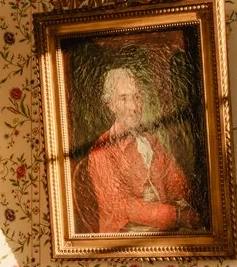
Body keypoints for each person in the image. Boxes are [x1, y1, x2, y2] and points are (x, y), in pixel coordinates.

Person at [74, 66, 200, 234]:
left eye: (137, 97)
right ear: (111, 105)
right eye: (123, 98)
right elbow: (122, 206)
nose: (133, 106)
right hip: (127, 234)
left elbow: (176, 182)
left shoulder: (150, 141)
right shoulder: (102, 150)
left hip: (164, 228)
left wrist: (191, 203)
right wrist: (175, 216)